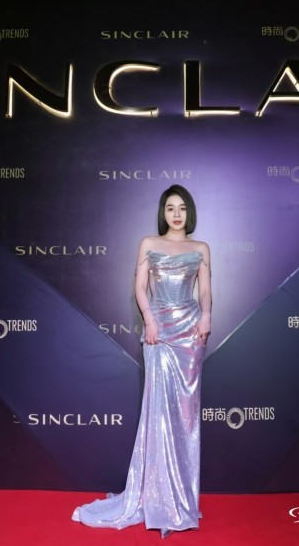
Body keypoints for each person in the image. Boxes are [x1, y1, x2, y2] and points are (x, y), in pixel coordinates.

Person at [72, 184, 212, 539]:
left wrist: (207, 316)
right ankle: (156, 500)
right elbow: (139, 287)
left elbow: (205, 290)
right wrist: (149, 320)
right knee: (159, 413)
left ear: (189, 212)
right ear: (163, 212)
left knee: (186, 418)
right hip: (158, 333)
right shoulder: (148, 243)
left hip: (191, 335)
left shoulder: (200, 248)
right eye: (170, 208)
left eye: (182, 208)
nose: (176, 214)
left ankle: (181, 500)